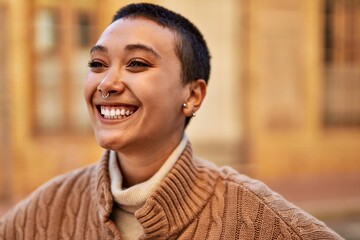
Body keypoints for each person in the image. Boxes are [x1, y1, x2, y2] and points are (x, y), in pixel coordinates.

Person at [0, 3, 343, 240]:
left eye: (136, 64)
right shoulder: (47, 211)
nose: (107, 83)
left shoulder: (255, 217)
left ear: (193, 96)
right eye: (97, 64)